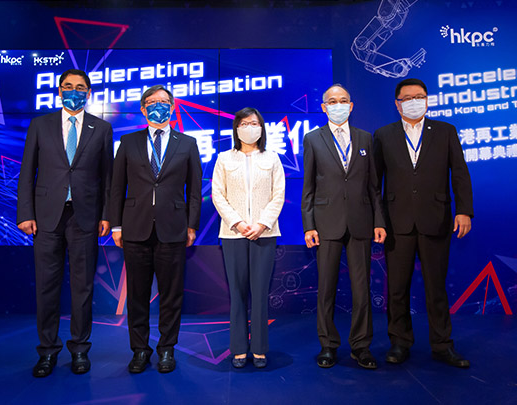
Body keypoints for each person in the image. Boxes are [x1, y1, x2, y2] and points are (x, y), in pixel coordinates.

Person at [17, 69, 113, 377]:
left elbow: (108, 177)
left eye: (80, 87)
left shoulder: (102, 128)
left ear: (89, 93)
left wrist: (107, 215)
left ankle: (80, 350)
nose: (74, 91)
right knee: (47, 286)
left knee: (83, 287)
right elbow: (27, 172)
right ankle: (47, 351)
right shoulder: (40, 125)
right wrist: (25, 213)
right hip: (46, 217)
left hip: (85, 217)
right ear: (59, 90)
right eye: (68, 86)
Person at [373, 78, 474, 368]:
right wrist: (378, 221)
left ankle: (442, 345)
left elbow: (459, 172)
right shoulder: (384, 135)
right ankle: (399, 342)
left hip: (436, 219)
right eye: (407, 97)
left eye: (419, 96)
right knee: (397, 289)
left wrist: (464, 210)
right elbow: (374, 183)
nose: (414, 101)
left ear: (427, 100)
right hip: (397, 223)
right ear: (397, 103)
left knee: (436, 288)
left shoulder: (445, 131)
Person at [109, 85, 202, 374]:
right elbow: (116, 187)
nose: (157, 106)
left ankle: (166, 349)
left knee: (171, 294)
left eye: (163, 102)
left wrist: (191, 225)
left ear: (172, 107)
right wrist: (116, 224)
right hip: (134, 229)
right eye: (151, 102)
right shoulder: (128, 141)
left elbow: (195, 190)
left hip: (173, 229)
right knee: (137, 294)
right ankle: (139, 349)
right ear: (142, 108)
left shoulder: (187, 143)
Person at [301, 84, 386, 369]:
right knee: (326, 288)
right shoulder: (313, 139)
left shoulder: (365, 138)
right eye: (332, 101)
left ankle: (361, 346)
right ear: (323, 107)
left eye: (343, 100)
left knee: (361, 290)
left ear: (351, 105)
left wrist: (379, 221)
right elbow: (309, 187)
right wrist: (308, 225)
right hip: (326, 224)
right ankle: (328, 345)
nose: (338, 105)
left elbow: (374, 187)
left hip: (361, 222)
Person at [211, 107, 285, 369]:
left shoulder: (272, 158)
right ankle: (239, 348)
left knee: (260, 291)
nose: (249, 127)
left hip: (265, 233)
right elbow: (218, 194)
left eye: (254, 123)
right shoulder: (224, 158)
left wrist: (262, 223)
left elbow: (279, 195)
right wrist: (239, 223)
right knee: (238, 292)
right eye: (243, 123)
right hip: (233, 234)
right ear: (236, 128)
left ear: (262, 128)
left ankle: (260, 348)